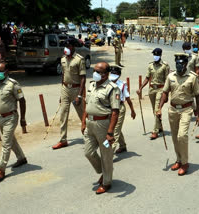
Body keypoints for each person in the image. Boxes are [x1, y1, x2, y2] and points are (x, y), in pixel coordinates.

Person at [156, 53, 199, 176]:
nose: (179, 65)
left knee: (182, 136)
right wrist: (159, 108)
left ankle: (185, 163)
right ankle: (178, 159)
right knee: (175, 137)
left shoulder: (192, 77)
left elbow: (197, 96)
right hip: (173, 109)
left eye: (181, 63)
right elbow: (165, 93)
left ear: (186, 64)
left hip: (186, 110)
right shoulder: (170, 76)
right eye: (177, 63)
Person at [82, 62, 120, 194]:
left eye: (98, 72)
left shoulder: (112, 88)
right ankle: (104, 171)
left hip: (103, 124)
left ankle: (107, 182)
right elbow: (88, 104)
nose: (95, 73)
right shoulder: (92, 84)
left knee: (106, 155)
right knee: (88, 152)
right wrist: (83, 122)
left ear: (106, 74)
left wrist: (110, 132)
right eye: (94, 71)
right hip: (90, 123)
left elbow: (115, 112)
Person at [52, 39, 86, 150]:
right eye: (65, 46)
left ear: (73, 47)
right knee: (63, 114)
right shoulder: (63, 59)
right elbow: (63, 76)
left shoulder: (79, 59)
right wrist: (61, 94)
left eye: (68, 46)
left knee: (83, 115)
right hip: (65, 89)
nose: (66, 48)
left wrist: (80, 95)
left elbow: (83, 78)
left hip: (76, 90)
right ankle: (63, 140)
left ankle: (90, 136)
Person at [137, 48, 170, 140]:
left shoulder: (165, 66)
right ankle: (159, 126)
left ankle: (155, 131)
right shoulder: (150, 65)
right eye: (154, 55)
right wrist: (140, 88)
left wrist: (166, 93)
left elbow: (168, 80)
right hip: (151, 89)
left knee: (157, 109)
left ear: (160, 55)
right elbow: (147, 78)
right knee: (154, 110)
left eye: (157, 55)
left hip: (161, 89)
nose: (155, 56)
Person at [109, 66, 136, 154]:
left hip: (119, 108)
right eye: (111, 73)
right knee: (114, 128)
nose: (112, 75)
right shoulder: (106, 83)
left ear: (119, 75)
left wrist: (132, 110)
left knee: (114, 131)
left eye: (115, 74)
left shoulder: (122, 84)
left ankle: (108, 154)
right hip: (109, 108)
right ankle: (123, 145)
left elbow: (127, 98)